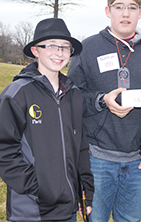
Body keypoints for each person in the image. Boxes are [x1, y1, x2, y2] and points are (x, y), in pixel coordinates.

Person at [67, 0, 141, 222]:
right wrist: (101, 101)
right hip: (97, 159)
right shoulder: (88, 48)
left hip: (137, 162)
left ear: (140, 13)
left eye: (132, 7)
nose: (125, 13)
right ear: (108, 11)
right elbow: (70, 98)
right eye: (119, 6)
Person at [0, 18, 94, 222]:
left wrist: (84, 190)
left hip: (67, 210)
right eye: (51, 46)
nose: (59, 53)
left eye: (65, 47)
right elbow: (4, 149)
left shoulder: (74, 94)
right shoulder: (17, 94)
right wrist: (39, 187)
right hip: (30, 210)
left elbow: (81, 147)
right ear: (35, 51)